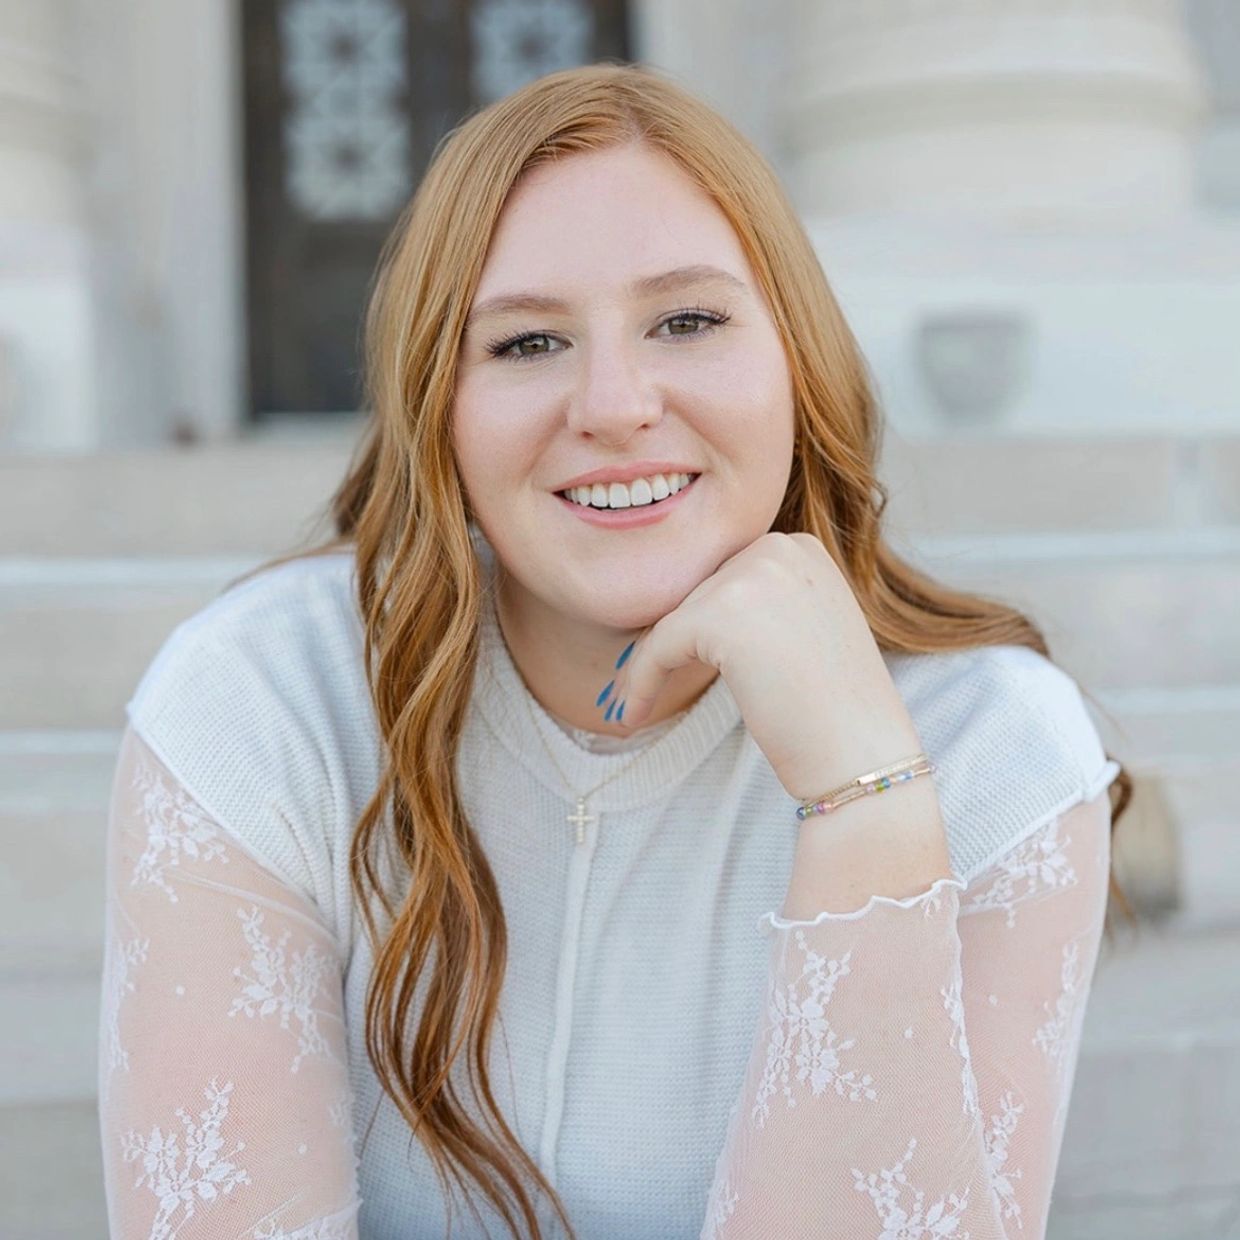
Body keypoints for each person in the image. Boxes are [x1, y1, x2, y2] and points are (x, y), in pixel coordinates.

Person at [97, 62, 1134, 1240]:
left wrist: (868, 806)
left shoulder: (989, 746)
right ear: (437, 404)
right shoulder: (265, 705)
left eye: (687, 320)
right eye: (527, 341)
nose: (614, 403)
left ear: (795, 355)